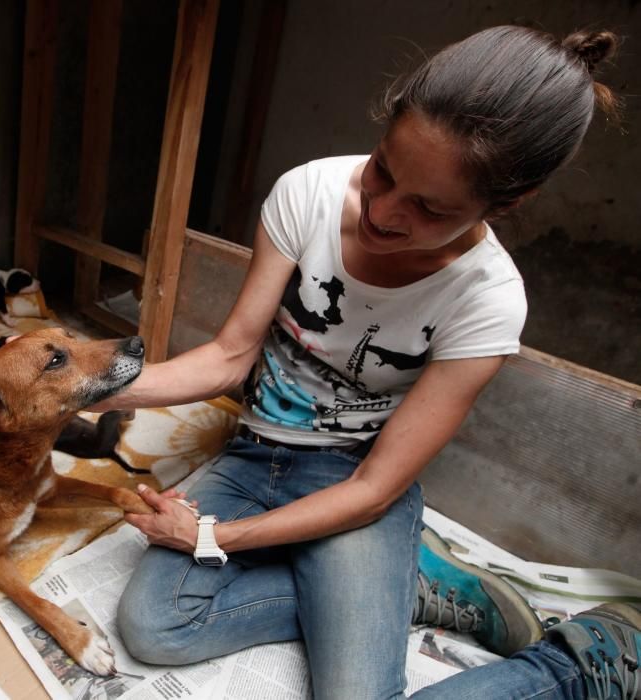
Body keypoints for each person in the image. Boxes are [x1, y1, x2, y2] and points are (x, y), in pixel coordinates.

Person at [90, 25, 639, 699]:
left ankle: (573, 666)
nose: (380, 210)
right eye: (383, 169)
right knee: (155, 628)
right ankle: (401, 591)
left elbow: (373, 489)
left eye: (429, 208)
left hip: (350, 482)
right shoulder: (310, 193)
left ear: (505, 204)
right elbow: (230, 357)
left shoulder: (489, 299)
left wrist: (213, 535)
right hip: (253, 456)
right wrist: (91, 390)